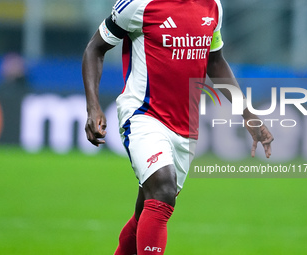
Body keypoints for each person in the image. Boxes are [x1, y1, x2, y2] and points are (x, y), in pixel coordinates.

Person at [82, 0, 274, 254]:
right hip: (143, 114)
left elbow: (215, 62)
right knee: (163, 188)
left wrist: (247, 113)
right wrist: (93, 107)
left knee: (147, 210)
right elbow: (95, 49)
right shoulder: (139, 4)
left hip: (185, 127)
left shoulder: (213, 6)